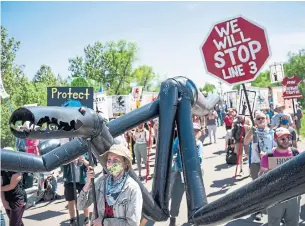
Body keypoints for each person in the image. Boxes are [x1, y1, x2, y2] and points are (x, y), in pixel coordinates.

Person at [77, 144, 143, 226]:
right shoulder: (101, 182)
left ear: (125, 163)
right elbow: (80, 206)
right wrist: (88, 183)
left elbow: (133, 224)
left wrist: (104, 222)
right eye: (109, 160)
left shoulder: (132, 188)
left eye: (115, 160)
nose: (111, 163)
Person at [259, 127, 300, 226]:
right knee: (274, 223)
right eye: (282, 139)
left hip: (293, 196)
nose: (286, 141)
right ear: (275, 140)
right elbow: (260, 176)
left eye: (288, 138)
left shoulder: (295, 153)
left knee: (293, 223)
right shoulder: (268, 156)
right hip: (275, 197)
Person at [169, 123, 206, 226]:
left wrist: (187, 150)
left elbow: (198, 159)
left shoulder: (198, 144)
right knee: (176, 196)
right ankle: (173, 218)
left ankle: (193, 218)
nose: (193, 133)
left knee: (194, 198)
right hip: (180, 173)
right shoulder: (178, 140)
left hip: (193, 176)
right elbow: (172, 151)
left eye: (196, 131)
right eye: (192, 130)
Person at [62, 154, 90, 226]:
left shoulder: (83, 151)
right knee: (71, 201)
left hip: (81, 181)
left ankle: (86, 218)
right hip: (69, 181)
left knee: (84, 199)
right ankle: (72, 219)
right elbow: (62, 163)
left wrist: (83, 160)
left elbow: (90, 164)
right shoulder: (67, 152)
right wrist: (69, 160)